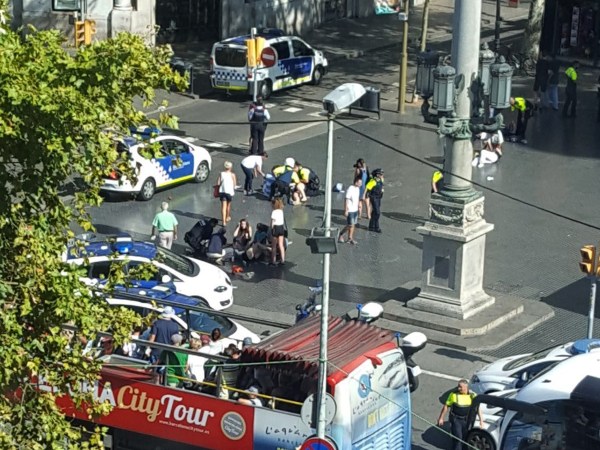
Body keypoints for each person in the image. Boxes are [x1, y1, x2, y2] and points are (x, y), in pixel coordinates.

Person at [437, 379, 484, 450]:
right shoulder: (454, 395)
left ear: (466, 387)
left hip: (466, 420)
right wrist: (441, 418)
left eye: (460, 387)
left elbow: (478, 408)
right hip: (456, 420)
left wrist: (481, 421)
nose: (459, 388)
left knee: (464, 437)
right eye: (458, 386)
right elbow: (446, 406)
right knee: (458, 438)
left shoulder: (472, 395)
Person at [338, 176, 362, 245]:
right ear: (356, 182)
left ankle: (350, 238)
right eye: (359, 183)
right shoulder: (350, 189)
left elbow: (357, 198)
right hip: (350, 210)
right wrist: (346, 210)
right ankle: (341, 234)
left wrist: (359, 204)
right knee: (350, 225)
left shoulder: (358, 189)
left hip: (355, 210)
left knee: (353, 224)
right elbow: (346, 199)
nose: (361, 184)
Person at [217, 161, 237, 225]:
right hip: (229, 193)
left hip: (222, 192)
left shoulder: (221, 173)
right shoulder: (232, 175)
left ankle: (223, 222)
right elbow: (234, 185)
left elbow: (218, 183)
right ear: (231, 167)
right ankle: (227, 217)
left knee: (223, 207)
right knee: (228, 205)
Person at [365, 169, 384, 233]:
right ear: (377, 175)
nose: (382, 175)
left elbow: (382, 186)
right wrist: (366, 195)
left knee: (374, 212)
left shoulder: (381, 180)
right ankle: (377, 227)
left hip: (378, 197)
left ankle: (371, 226)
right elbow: (367, 188)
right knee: (377, 212)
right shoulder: (373, 181)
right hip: (374, 197)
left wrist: (382, 191)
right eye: (381, 174)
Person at [270, 197, 286, 266]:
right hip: (281, 228)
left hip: (275, 228)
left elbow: (272, 223)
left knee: (274, 246)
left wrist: (271, 229)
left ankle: (273, 261)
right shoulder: (281, 211)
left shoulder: (274, 212)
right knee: (281, 245)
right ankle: (283, 260)